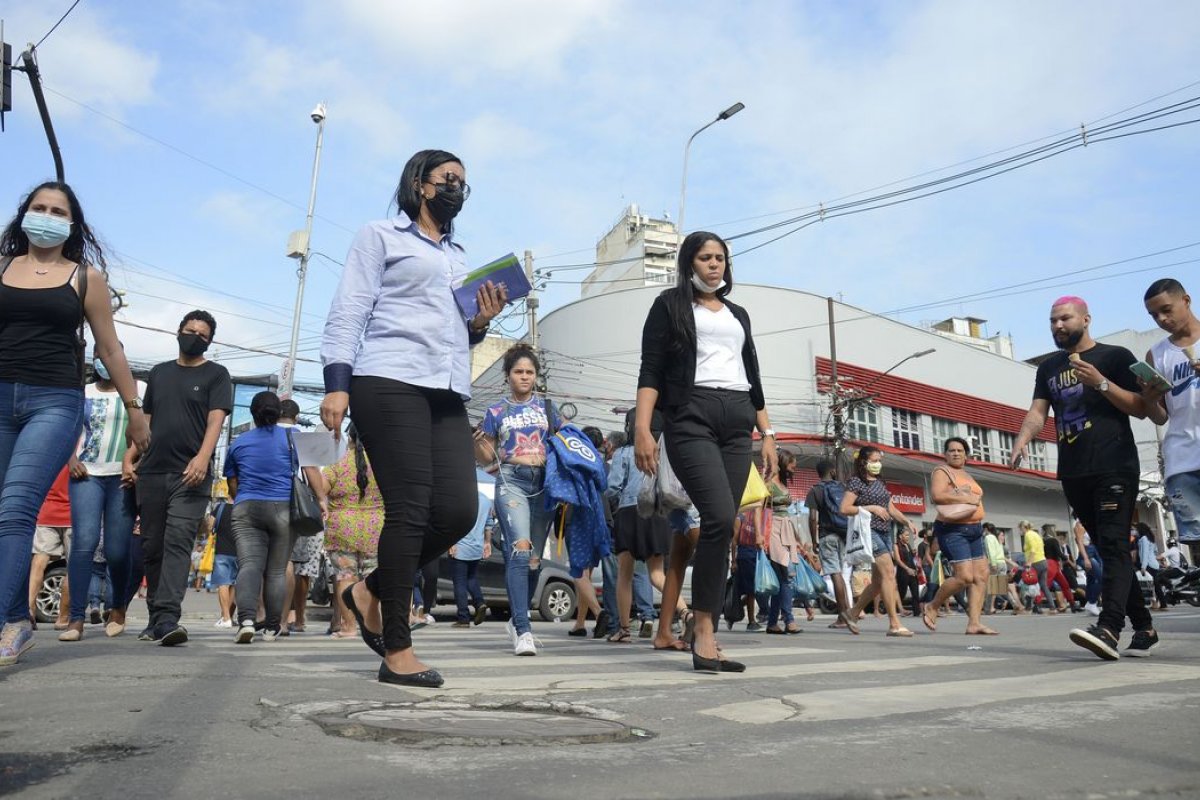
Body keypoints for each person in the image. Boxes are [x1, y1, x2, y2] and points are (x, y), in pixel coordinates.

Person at [320, 149, 506, 687]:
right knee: (410, 507)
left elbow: (459, 332)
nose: (457, 190)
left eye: (464, 184)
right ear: (420, 185)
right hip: (387, 379)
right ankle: (397, 648)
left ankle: (368, 589)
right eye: (448, 180)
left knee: (457, 511)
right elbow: (349, 310)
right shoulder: (380, 235)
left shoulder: (460, 255)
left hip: (446, 388)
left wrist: (481, 323)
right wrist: (337, 386)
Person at [0, 181, 149, 667]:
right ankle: (15, 618)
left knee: (17, 510)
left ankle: (12, 623)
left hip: (55, 402)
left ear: (72, 225)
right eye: (38, 208)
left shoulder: (86, 279)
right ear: (24, 214)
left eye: (56, 211)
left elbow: (110, 348)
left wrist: (135, 410)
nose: (46, 216)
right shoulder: (1, 267)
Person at [635, 230, 778, 674]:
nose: (714, 265)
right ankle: (704, 630)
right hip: (691, 416)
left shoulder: (739, 314)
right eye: (704, 258)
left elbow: (752, 374)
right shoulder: (670, 305)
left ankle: (705, 629)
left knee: (725, 525)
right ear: (688, 263)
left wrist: (767, 433)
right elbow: (651, 368)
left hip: (737, 421)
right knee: (716, 516)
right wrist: (643, 427)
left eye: (719, 258)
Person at [1011, 295, 1155, 660]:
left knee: (1112, 546)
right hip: (1074, 471)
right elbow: (1037, 411)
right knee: (1111, 548)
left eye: (1065, 319)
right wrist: (1023, 438)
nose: (1058, 326)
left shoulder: (1117, 356)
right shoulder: (1048, 368)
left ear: (1086, 319)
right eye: (1052, 321)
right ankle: (1146, 627)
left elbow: (1142, 409)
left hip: (1114, 464)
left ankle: (1108, 628)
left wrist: (1102, 384)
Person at [130, 309, 232, 647]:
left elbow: (215, 421)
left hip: (191, 474)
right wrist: (129, 457)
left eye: (203, 335)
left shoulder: (217, 374)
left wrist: (202, 458)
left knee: (177, 543)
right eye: (190, 331)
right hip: (152, 471)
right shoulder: (159, 373)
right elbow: (145, 420)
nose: (195, 337)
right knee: (153, 546)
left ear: (210, 342)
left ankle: (169, 617)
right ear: (178, 331)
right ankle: (155, 619)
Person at [474, 344, 558, 657]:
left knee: (534, 561)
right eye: (518, 372)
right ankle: (524, 629)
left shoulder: (549, 409)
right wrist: (478, 444)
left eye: (530, 372)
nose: (524, 377)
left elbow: (562, 445)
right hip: (511, 482)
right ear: (508, 376)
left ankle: (516, 619)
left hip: (544, 485)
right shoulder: (496, 411)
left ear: (536, 376)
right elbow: (485, 458)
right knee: (520, 552)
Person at [60, 354, 142, 641]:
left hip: (122, 477)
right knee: (84, 542)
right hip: (86, 475)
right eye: (99, 357)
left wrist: (137, 466)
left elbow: (147, 430)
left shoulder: (137, 390)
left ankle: (117, 607)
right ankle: (76, 618)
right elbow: (65, 429)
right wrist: (70, 460)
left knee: (117, 551)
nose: (104, 362)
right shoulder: (80, 392)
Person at [223, 392, 295, 643]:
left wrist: (243, 496)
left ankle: (246, 620)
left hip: (246, 507)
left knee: (249, 565)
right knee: (275, 570)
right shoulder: (292, 438)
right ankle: (273, 627)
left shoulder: (238, 443)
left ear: (252, 414)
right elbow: (308, 471)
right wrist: (320, 500)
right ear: (279, 413)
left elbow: (232, 482)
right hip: (283, 507)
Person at [1140, 278, 1200, 550]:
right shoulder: (1157, 354)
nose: (1161, 319)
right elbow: (1160, 417)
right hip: (1182, 460)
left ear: (1186, 301)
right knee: (1196, 544)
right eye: (1154, 315)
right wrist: (1150, 400)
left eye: (1166, 310)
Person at [310, 422, 384, 639]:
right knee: (373, 578)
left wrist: (311, 465)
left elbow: (321, 490)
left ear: (349, 438)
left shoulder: (337, 463)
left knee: (345, 576)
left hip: (342, 528)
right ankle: (373, 625)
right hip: (376, 528)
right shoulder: (382, 463)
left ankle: (349, 627)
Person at [606, 410, 674, 643]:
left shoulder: (624, 452)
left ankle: (623, 630)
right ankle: (685, 613)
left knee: (624, 575)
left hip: (629, 512)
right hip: (659, 512)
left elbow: (613, 488)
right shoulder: (665, 452)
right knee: (657, 574)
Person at [838, 446, 919, 636]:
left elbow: (891, 508)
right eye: (873, 461)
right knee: (889, 574)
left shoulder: (880, 482)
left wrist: (907, 520)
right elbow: (845, 508)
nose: (877, 464)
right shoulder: (856, 482)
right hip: (869, 532)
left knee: (877, 582)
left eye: (878, 461)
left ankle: (852, 612)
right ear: (863, 462)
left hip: (884, 532)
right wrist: (871, 508)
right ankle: (894, 623)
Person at [920, 437, 993, 634]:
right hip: (953, 530)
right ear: (945, 454)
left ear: (966, 455)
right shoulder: (942, 471)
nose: (956, 453)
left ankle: (974, 623)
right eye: (951, 450)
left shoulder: (967, 475)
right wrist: (964, 496)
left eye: (960, 450)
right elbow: (937, 496)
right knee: (964, 577)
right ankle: (932, 605)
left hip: (975, 530)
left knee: (980, 576)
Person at [806, 460, 852, 629]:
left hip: (827, 536)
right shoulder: (842, 488)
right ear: (832, 471)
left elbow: (812, 518)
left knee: (835, 575)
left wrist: (814, 541)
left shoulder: (815, 490)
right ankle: (848, 612)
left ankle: (843, 616)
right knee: (841, 576)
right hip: (842, 536)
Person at [30, 468, 73, 632]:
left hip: (47, 511)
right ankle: (62, 618)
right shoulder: (82, 448)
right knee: (73, 566)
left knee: (39, 561)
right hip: (74, 513)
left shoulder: (52, 448)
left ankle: (29, 610)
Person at [764, 450, 801, 634]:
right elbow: (758, 510)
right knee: (786, 576)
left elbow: (790, 515)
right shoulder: (769, 484)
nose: (794, 468)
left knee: (781, 579)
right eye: (791, 465)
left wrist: (798, 540)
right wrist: (760, 537)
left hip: (786, 530)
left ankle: (772, 622)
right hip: (773, 530)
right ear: (782, 463)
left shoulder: (783, 483)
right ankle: (789, 619)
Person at [448, 474, 493, 629]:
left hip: (460, 546)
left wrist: (450, 542)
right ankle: (479, 602)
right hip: (476, 547)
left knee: (459, 582)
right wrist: (487, 543)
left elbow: (453, 521)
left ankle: (463, 618)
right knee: (471, 578)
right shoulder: (486, 500)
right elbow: (489, 524)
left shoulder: (459, 499)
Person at [209, 499, 238, 628]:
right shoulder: (244, 507)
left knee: (223, 584)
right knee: (233, 584)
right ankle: (227, 616)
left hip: (222, 551)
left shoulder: (220, 508)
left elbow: (209, 527)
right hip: (239, 552)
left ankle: (226, 618)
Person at [1043, 523, 1080, 613]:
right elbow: (1058, 552)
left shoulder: (1043, 540)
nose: (1055, 531)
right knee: (1060, 585)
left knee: (1062, 584)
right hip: (1053, 563)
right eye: (1054, 529)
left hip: (1049, 563)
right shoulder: (1053, 540)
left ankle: (1072, 604)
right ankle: (1072, 604)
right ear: (1050, 530)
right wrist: (1066, 558)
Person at [1018, 521, 1052, 613]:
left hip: (1035, 562)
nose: (1019, 530)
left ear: (1023, 527)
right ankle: (1052, 607)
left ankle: (1028, 608)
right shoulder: (1036, 534)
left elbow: (1033, 550)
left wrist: (1029, 563)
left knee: (1028, 584)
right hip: (1043, 561)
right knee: (1043, 585)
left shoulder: (1028, 535)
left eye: (1020, 528)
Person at [1073, 517, 1102, 616]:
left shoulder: (1089, 522)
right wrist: (1085, 558)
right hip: (1087, 552)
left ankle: (1090, 603)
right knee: (1102, 577)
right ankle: (1092, 602)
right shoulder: (1079, 524)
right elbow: (1080, 543)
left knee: (1091, 578)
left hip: (1094, 551)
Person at [1134, 523, 1166, 610]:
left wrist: (1143, 567)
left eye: (1136, 529)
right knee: (1154, 585)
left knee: (1152, 585)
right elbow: (1155, 551)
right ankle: (1159, 604)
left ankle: (1161, 604)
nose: (1135, 531)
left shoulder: (1144, 539)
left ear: (1140, 529)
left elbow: (1145, 553)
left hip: (1148, 564)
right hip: (1153, 564)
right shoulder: (1150, 538)